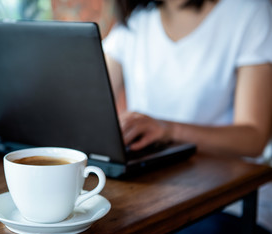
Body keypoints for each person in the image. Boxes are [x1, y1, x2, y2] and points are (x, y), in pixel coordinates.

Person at [102, 0, 272, 159]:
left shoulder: (248, 11)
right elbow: (90, 92)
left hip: (227, 181)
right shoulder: (138, 18)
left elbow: (255, 139)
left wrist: (170, 130)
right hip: (152, 175)